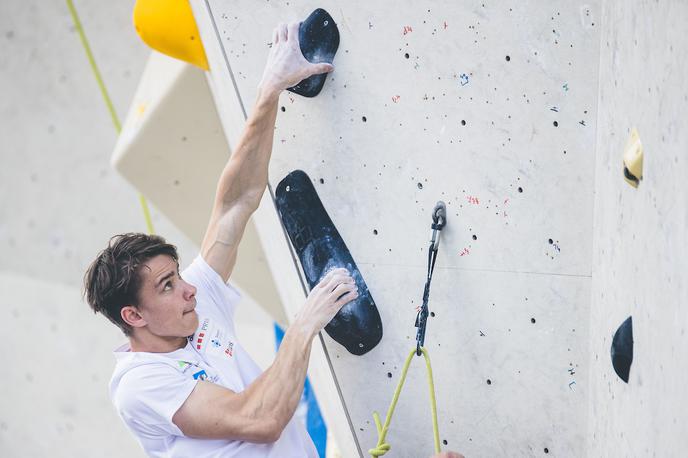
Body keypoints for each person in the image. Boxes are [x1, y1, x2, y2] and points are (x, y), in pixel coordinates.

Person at [84, 20, 463, 458]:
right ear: (133, 315)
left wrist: (269, 91)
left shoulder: (190, 308)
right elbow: (258, 420)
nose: (189, 288)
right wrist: (302, 327)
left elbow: (236, 202)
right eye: (167, 285)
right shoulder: (140, 384)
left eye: (176, 275)